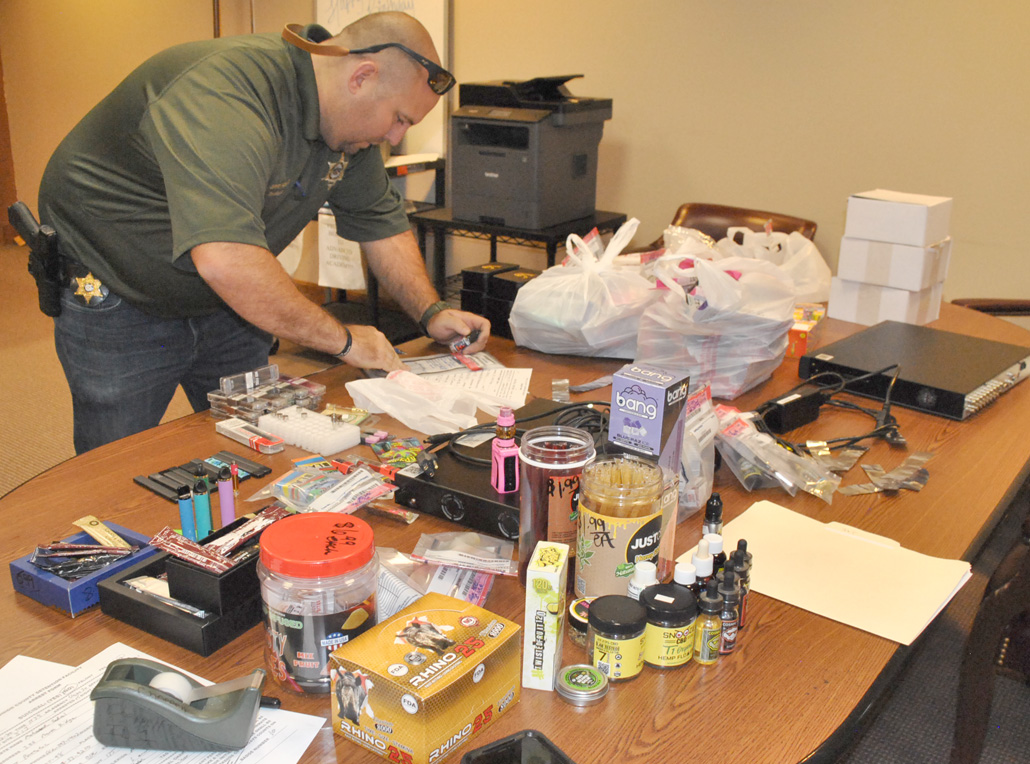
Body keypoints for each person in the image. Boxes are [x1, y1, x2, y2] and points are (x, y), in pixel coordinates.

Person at [37, 12, 490, 454]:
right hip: (119, 288)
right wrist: (346, 341)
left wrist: (430, 311)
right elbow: (226, 260)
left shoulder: (350, 132)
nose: (395, 136)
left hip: (229, 300)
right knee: (114, 461)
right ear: (361, 77)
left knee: (257, 440)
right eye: (400, 119)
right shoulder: (226, 94)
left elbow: (382, 225)